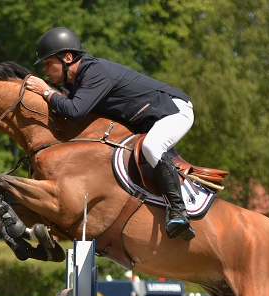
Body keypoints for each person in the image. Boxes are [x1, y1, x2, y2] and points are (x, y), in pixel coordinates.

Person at [24, 27, 196, 240]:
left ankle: (179, 212)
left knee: (153, 147)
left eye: (48, 63)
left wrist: (45, 90)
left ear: (67, 57)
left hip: (173, 111)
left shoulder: (95, 72)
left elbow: (75, 111)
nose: (45, 70)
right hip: (149, 120)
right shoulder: (77, 81)